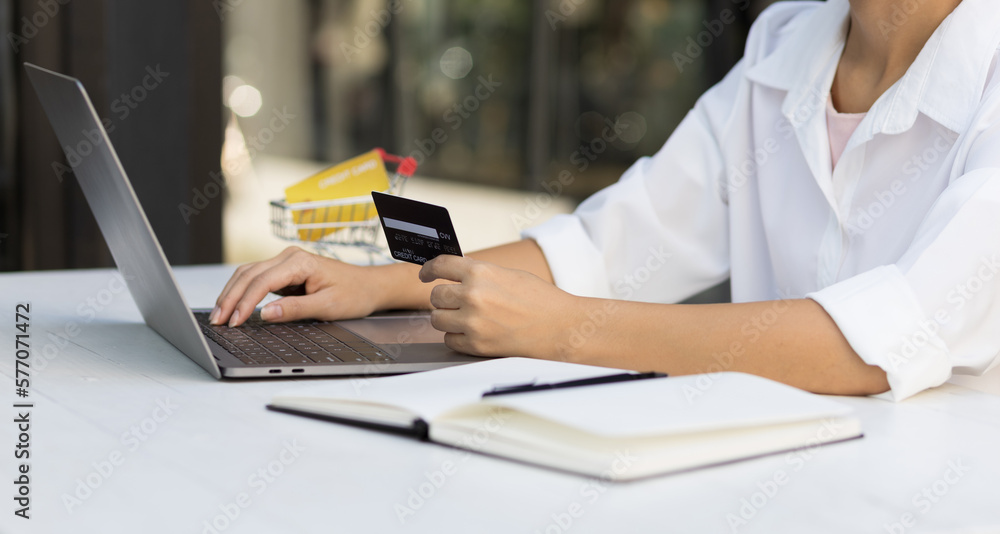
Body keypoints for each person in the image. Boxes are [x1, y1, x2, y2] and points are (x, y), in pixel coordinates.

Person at [212, 0, 1000, 401]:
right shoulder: (787, 44)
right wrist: (382, 287)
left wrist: (565, 331)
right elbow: (613, 248)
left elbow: (872, 345)